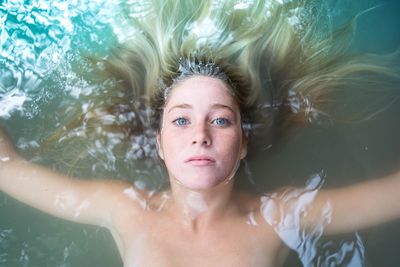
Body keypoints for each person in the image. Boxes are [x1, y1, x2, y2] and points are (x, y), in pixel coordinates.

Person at [1, 0, 400, 266]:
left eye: (221, 120)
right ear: (158, 142)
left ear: (243, 144)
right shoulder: (124, 208)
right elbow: (9, 168)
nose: (200, 135)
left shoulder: (280, 216)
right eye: (180, 120)